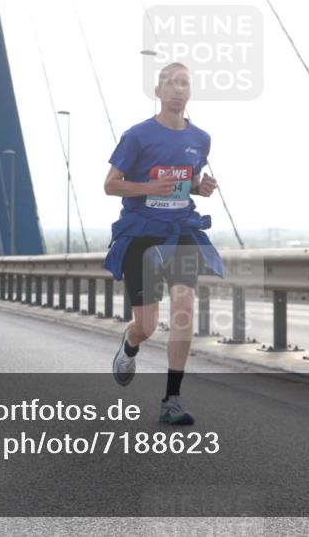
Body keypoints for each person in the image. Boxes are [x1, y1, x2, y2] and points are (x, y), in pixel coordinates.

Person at [104, 62, 222, 425]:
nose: (177, 89)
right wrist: (146, 188)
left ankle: (172, 398)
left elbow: (188, 182)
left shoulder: (200, 139)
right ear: (158, 92)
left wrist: (200, 188)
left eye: (184, 83)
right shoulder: (137, 136)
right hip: (142, 232)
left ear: (190, 92)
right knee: (148, 326)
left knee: (184, 304)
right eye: (170, 83)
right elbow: (111, 184)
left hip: (181, 229)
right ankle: (130, 343)